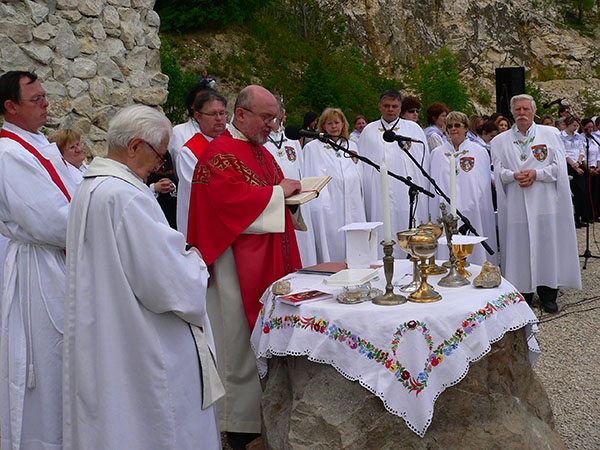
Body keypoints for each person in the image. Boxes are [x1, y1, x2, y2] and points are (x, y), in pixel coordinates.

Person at [62, 105, 223, 449]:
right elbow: (169, 285)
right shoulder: (128, 197)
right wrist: (193, 261)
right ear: (135, 146)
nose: (160, 165)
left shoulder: (89, 188)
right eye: (159, 155)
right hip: (145, 339)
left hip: (111, 332)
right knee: (159, 424)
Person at [186, 85, 302, 449]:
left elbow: (276, 189)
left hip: (269, 254)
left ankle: (269, 413)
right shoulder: (219, 152)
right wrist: (281, 194)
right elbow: (228, 204)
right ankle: (239, 424)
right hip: (236, 261)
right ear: (241, 114)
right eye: (266, 118)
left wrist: (293, 196)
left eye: (274, 118)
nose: (272, 125)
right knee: (238, 340)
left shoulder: (261, 152)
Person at [0, 70, 77, 449]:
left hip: (58, 261)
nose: (46, 104)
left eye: (46, 96)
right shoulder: (9, 153)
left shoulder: (37, 143)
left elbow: (77, 189)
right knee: (43, 360)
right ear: (10, 107)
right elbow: (50, 220)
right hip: (38, 268)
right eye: (36, 99)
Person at [491, 94, 581, 313]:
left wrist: (536, 173)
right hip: (516, 205)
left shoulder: (549, 134)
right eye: (518, 110)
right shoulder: (500, 141)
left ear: (533, 112)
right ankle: (523, 293)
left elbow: (557, 169)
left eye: (526, 109)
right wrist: (514, 175)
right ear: (512, 113)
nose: (522, 113)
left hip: (544, 203)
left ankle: (548, 292)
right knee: (519, 247)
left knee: (546, 245)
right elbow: (498, 172)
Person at [359, 90, 430, 255]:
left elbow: (422, 164)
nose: (390, 109)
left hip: (405, 192)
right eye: (387, 106)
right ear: (379, 107)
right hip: (378, 193)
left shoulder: (412, 129)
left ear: (400, 108)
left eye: (394, 106)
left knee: (406, 223)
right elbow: (363, 166)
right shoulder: (369, 131)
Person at [429, 111, 497, 265]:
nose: (453, 129)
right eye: (450, 126)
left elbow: (483, 183)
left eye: (457, 125)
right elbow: (434, 184)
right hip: (446, 209)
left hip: (473, 208)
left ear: (466, 127)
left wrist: (474, 202)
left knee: (474, 246)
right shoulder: (437, 153)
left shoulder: (479, 151)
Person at [302, 107, 366, 263]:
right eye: (329, 123)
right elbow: (311, 176)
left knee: (355, 245)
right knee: (332, 243)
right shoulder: (313, 148)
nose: (334, 127)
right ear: (323, 126)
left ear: (343, 124)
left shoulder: (351, 146)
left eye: (337, 122)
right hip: (329, 206)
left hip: (353, 203)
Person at [264, 98, 317, 266]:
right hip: (276, 199)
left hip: (298, 199)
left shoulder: (291, 137)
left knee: (303, 244)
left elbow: (301, 167)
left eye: (280, 117)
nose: (277, 121)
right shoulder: (261, 140)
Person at [176, 89, 228, 238]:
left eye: (222, 113)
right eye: (212, 114)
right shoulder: (190, 152)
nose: (219, 118)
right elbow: (204, 193)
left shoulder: (233, 144)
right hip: (203, 228)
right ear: (198, 116)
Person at [167, 83, 208, 172]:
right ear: (192, 105)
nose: (207, 103)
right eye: (202, 100)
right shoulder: (178, 132)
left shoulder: (226, 130)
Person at [560, 116, 586, 227]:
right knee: (572, 193)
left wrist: (579, 162)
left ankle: (580, 216)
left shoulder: (578, 137)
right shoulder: (561, 136)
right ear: (568, 124)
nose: (576, 127)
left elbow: (581, 150)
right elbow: (564, 152)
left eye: (577, 125)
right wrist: (574, 165)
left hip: (578, 164)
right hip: (569, 165)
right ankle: (573, 218)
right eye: (574, 125)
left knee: (582, 192)